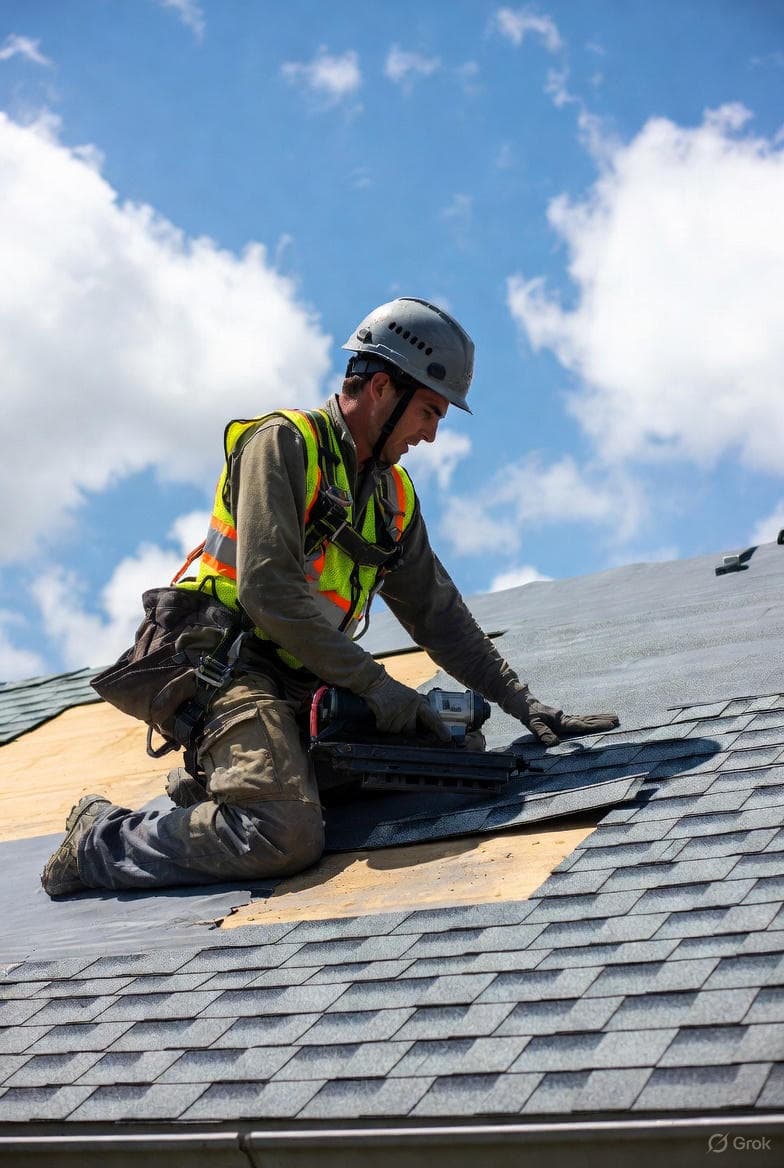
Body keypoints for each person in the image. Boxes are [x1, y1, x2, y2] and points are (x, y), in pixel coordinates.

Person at [41, 297, 619, 897]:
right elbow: (268, 593)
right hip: (222, 666)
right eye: (428, 411)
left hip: (303, 678)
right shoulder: (284, 445)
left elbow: (438, 614)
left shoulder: (392, 497)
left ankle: (238, 776)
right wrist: (372, 683)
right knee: (282, 835)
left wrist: (523, 703)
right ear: (379, 388)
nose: (432, 435)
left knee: (451, 750)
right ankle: (99, 840)